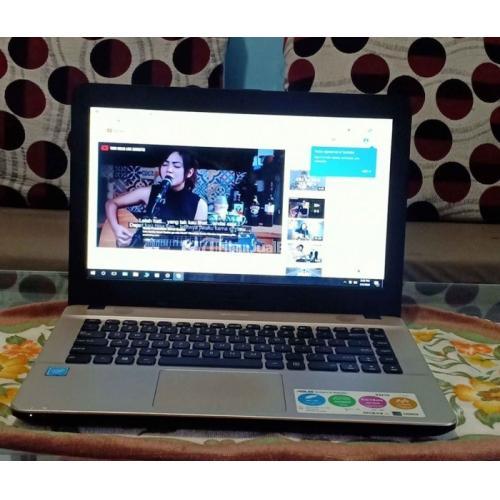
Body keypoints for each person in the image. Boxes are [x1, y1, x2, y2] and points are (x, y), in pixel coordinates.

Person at [105, 149, 208, 247]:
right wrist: (116, 228)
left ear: (189, 173)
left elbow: (196, 243)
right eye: (165, 164)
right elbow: (111, 203)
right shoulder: (149, 192)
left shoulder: (199, 205)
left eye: (176, 166)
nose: (169, 170)